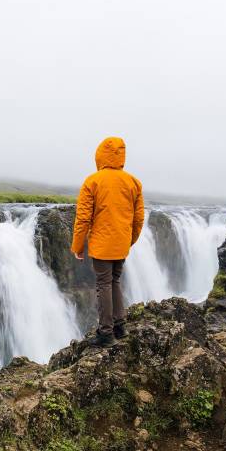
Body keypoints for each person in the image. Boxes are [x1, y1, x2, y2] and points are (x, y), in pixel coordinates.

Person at [71, 136, 144, 347]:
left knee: (103, 284)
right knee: (115, 281)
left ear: (100, 155)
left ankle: (106, 333)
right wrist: (129, 240)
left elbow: (83, 218)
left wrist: (78, 246)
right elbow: (138, 218)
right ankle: (120, 326)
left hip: (102, 245)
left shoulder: (92, 181)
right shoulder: (133, 182)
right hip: (121, 244)